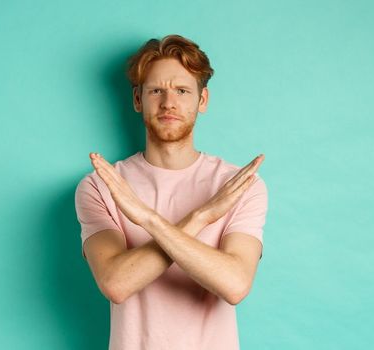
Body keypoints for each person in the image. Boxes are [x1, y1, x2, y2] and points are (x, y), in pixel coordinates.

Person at [75, 34, 268, 350]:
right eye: (156, 91)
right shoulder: (101, 185)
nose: (168, 103)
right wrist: (201, 216)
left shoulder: (239, 185)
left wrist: (148, 220)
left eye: (181, 90)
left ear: (201, 100)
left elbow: (234, 285)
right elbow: (116, 284)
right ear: (138, 100)